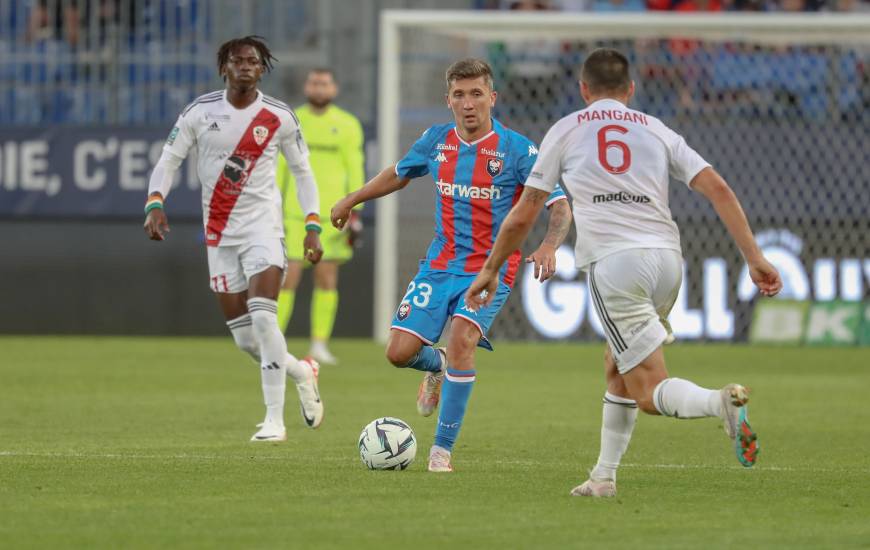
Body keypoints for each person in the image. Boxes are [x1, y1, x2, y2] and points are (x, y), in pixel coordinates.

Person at [466, 48, 783, 496]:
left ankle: (720, 403)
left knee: (648, 389)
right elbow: (719, 188)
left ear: (582, 89)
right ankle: (603, 478)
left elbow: (524, 213)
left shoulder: (566, 129)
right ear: (630, 90)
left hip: (617, 264)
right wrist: (754, 257)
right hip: (668, 261)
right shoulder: (656, 129)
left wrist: (492, 267)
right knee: (617, 364)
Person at [331, 58, 573, 473]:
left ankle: (441, 451)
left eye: (477, 93)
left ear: (492, 98)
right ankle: (438, 366)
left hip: (490, 269)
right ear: (448, 100)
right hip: (440, 264)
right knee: (398, 352)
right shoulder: (436, 140)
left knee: (463, 339)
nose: (468, 103)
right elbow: (399, 173)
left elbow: (559, 204)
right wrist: (352, 198)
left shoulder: (518, 150)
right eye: (459, 95)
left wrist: (550, 245)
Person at [143, 36, 325, 442]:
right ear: (223, 67)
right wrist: (155, 201)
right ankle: (301, 371)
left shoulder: (279, 115)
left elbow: (303, 173)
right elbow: (168, 161)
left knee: (264, 318)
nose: (246, 66)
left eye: (254, 61)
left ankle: (274, 421)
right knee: (247, 341)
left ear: (263, 69)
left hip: (264, 229)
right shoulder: (199, 112)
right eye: (237, 60)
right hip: (219, 235)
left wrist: (312, 224)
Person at [275, 68, 365, 365]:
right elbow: (280, 168)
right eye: (314, 82)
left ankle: (319, 345)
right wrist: (272, 203)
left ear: (334, 89)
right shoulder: (292, 121)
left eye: (324, 83)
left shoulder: (348, 124)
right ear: (306, 86)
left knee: (327, 278)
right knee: (288, 277)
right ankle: (274, 343)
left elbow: (355, 168)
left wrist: (356, 211)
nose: (319, 87)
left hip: (333, 215)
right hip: (294, 213)